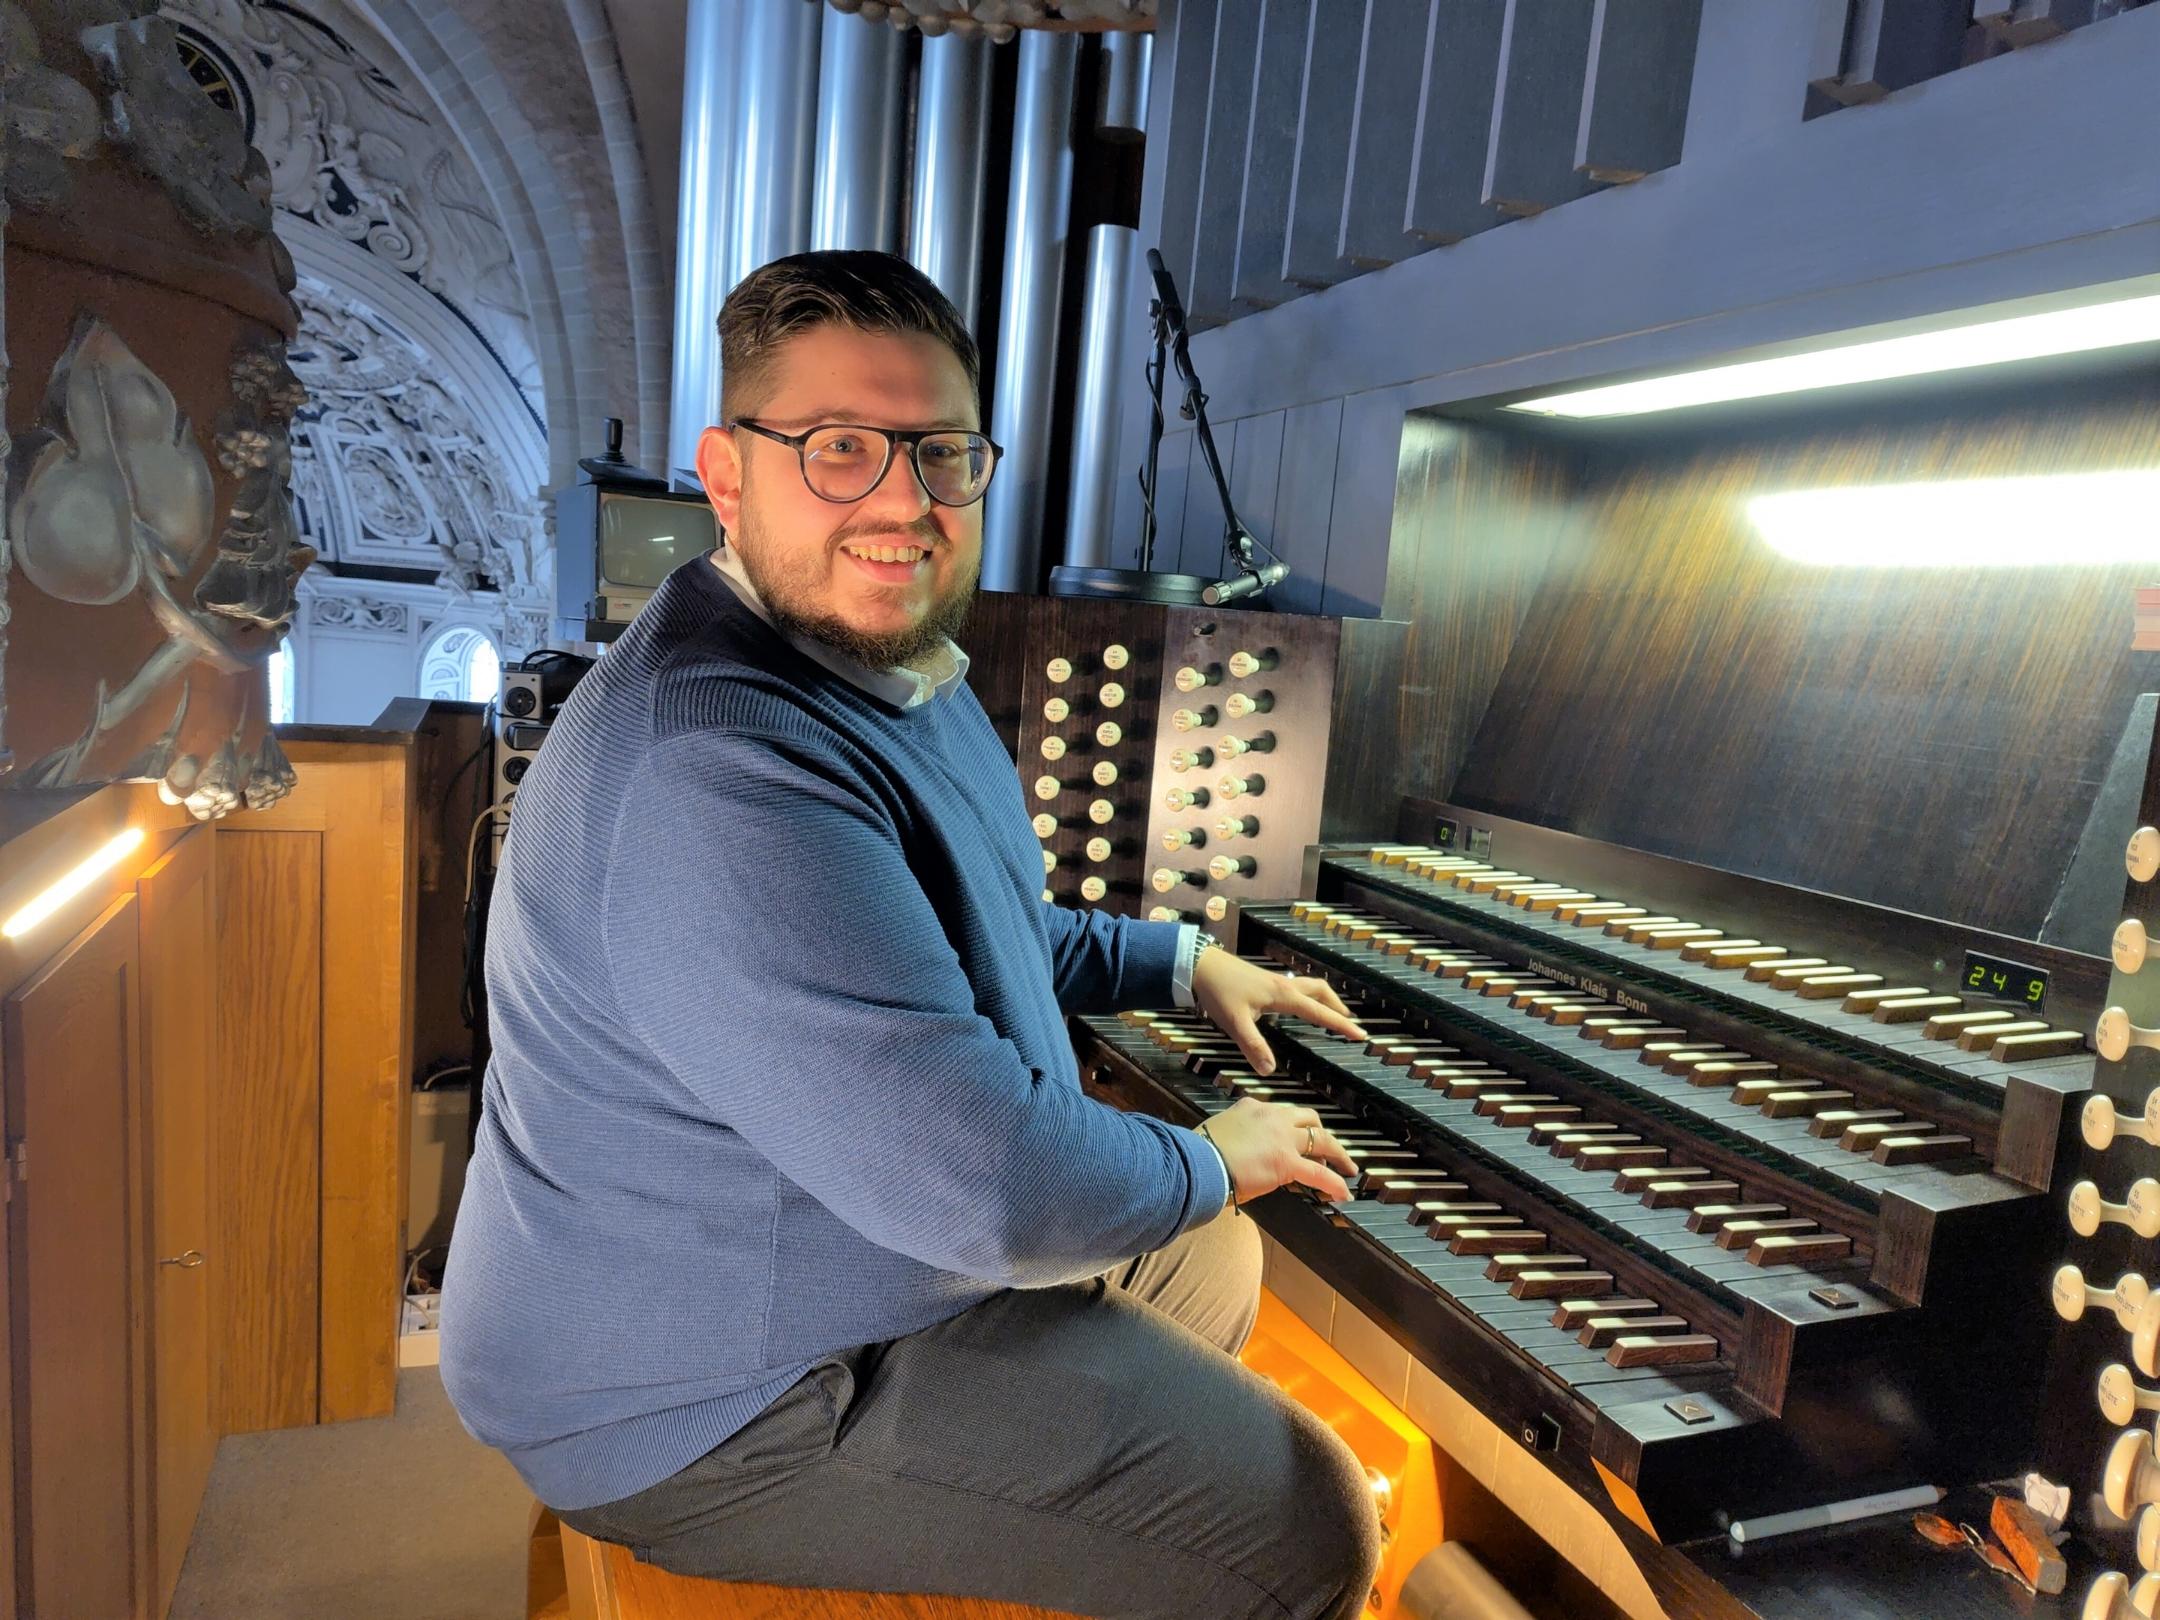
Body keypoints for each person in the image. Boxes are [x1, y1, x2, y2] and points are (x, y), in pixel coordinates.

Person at [442, 250, 1384, 1619]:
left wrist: (1184, 962)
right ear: (725, 473)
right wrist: (1204, 1153)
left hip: (845, 1241)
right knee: (1308, 1521)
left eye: (940, 456)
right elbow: (986, 1186)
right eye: (838, 449)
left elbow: (975, 932)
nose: (903, 502)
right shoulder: (717, 763)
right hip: (699, 1389)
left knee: (1216, 1254)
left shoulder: (883, 666)